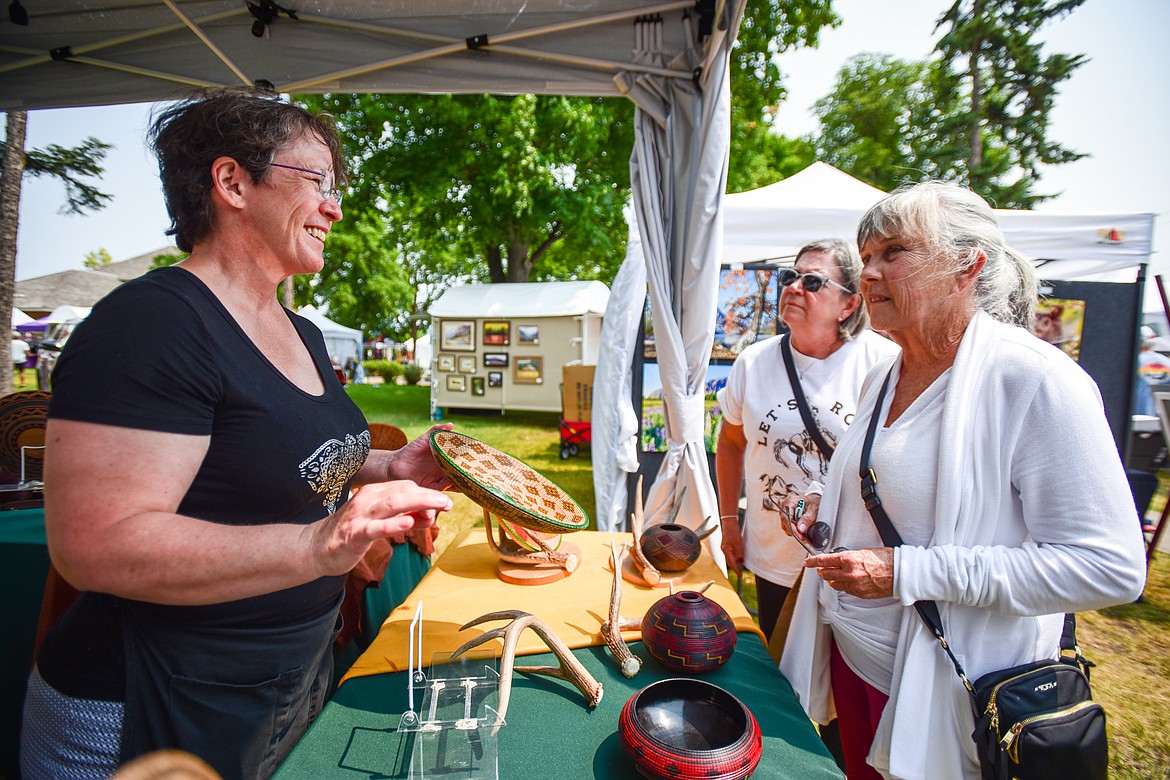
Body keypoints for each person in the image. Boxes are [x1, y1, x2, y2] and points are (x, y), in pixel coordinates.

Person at [21, 89, 456, 780]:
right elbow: (96, 548)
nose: (335, 209)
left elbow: (283, 460)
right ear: (232, 182)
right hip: (148, 710)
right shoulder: (151, 324)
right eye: (317, 183)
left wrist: (388, 465)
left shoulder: (301, 332)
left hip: (280, 681)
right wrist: (321, 543)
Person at [779, 181, 1147, 779]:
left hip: (947, 696)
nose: (868, 273)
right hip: (858, 663)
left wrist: (909, 572)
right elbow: (890, 482)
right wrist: (829, 500)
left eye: (892, 252)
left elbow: (1110, 567)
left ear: (965, 265)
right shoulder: (889, 370)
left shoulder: (1035, 380)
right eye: (865, 256)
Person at [715, 239, 897, 644]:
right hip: (773, 553)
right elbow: (729, 443)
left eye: (813, 282)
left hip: (851, 557)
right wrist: (729, 522)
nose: (794, 287)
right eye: (789, 277)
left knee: (840, 686)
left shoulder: (882, 363)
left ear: (849, 305)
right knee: (779, 672)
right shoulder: (753, 362)